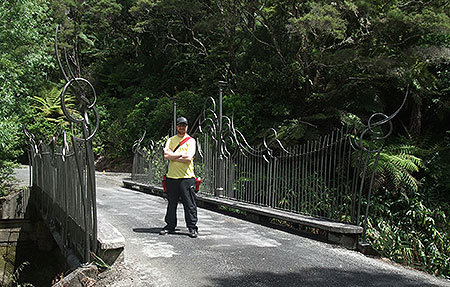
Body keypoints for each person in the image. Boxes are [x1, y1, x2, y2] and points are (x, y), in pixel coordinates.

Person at [160, 116, 198, 238]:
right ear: (176, 126)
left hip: (187, 177)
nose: (182, 127)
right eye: (180, 125)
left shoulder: (191, 141)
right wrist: (181, 154)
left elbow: (189, 157)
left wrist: (174, 155)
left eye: (184, 125)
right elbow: (166, 155)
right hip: (172, 177)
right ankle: (170, 226)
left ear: (187, 127)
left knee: (189, 204)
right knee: (171, 204)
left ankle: (192, 228)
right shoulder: (171, 140)